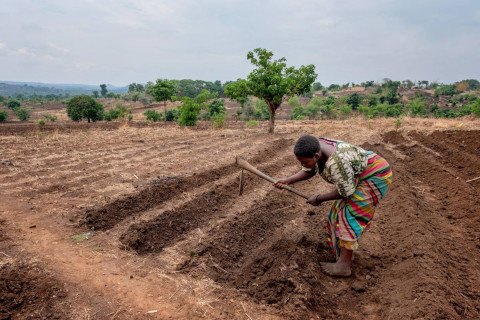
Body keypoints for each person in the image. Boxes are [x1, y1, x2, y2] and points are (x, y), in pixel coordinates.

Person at [274, 135, 392, 277]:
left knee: (349, 216)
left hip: (376, 175)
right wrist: (287, 181)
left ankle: (344, 265)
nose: (303, 164)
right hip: (359, 172)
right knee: (336, 212)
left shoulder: (337, 163)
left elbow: (345, 192)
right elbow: (309, 170)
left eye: (305, 161)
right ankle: (341, 253)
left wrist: (319, 198)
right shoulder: (315, 147)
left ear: (317, 156)